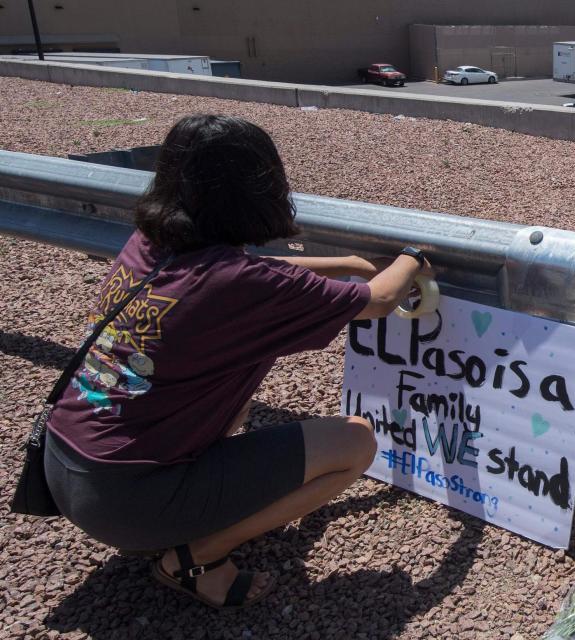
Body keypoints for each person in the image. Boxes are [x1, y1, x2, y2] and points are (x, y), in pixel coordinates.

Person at [43, 114, 433, 609]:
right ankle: (197, 557)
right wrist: (415, 255)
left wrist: (343, 266)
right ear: (256, 188)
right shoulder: (238, 287)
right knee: (354, 442)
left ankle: (182, 515)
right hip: (126, 501)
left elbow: (246, 273)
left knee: (238, 401)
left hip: (66, 464)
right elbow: (379, 300)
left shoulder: (151, 244)